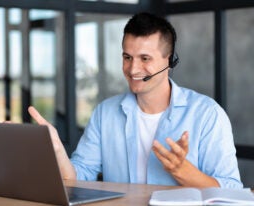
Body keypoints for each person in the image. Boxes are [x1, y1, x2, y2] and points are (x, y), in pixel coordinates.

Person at [28, 12, 242, 188]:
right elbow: (76, 179)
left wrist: (184, 173)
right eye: (127, 57)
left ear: (170, 60)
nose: (133, 69)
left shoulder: (207, 114)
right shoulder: (105, 113)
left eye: (145, 58)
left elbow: (232, 191)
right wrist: (56, 149)